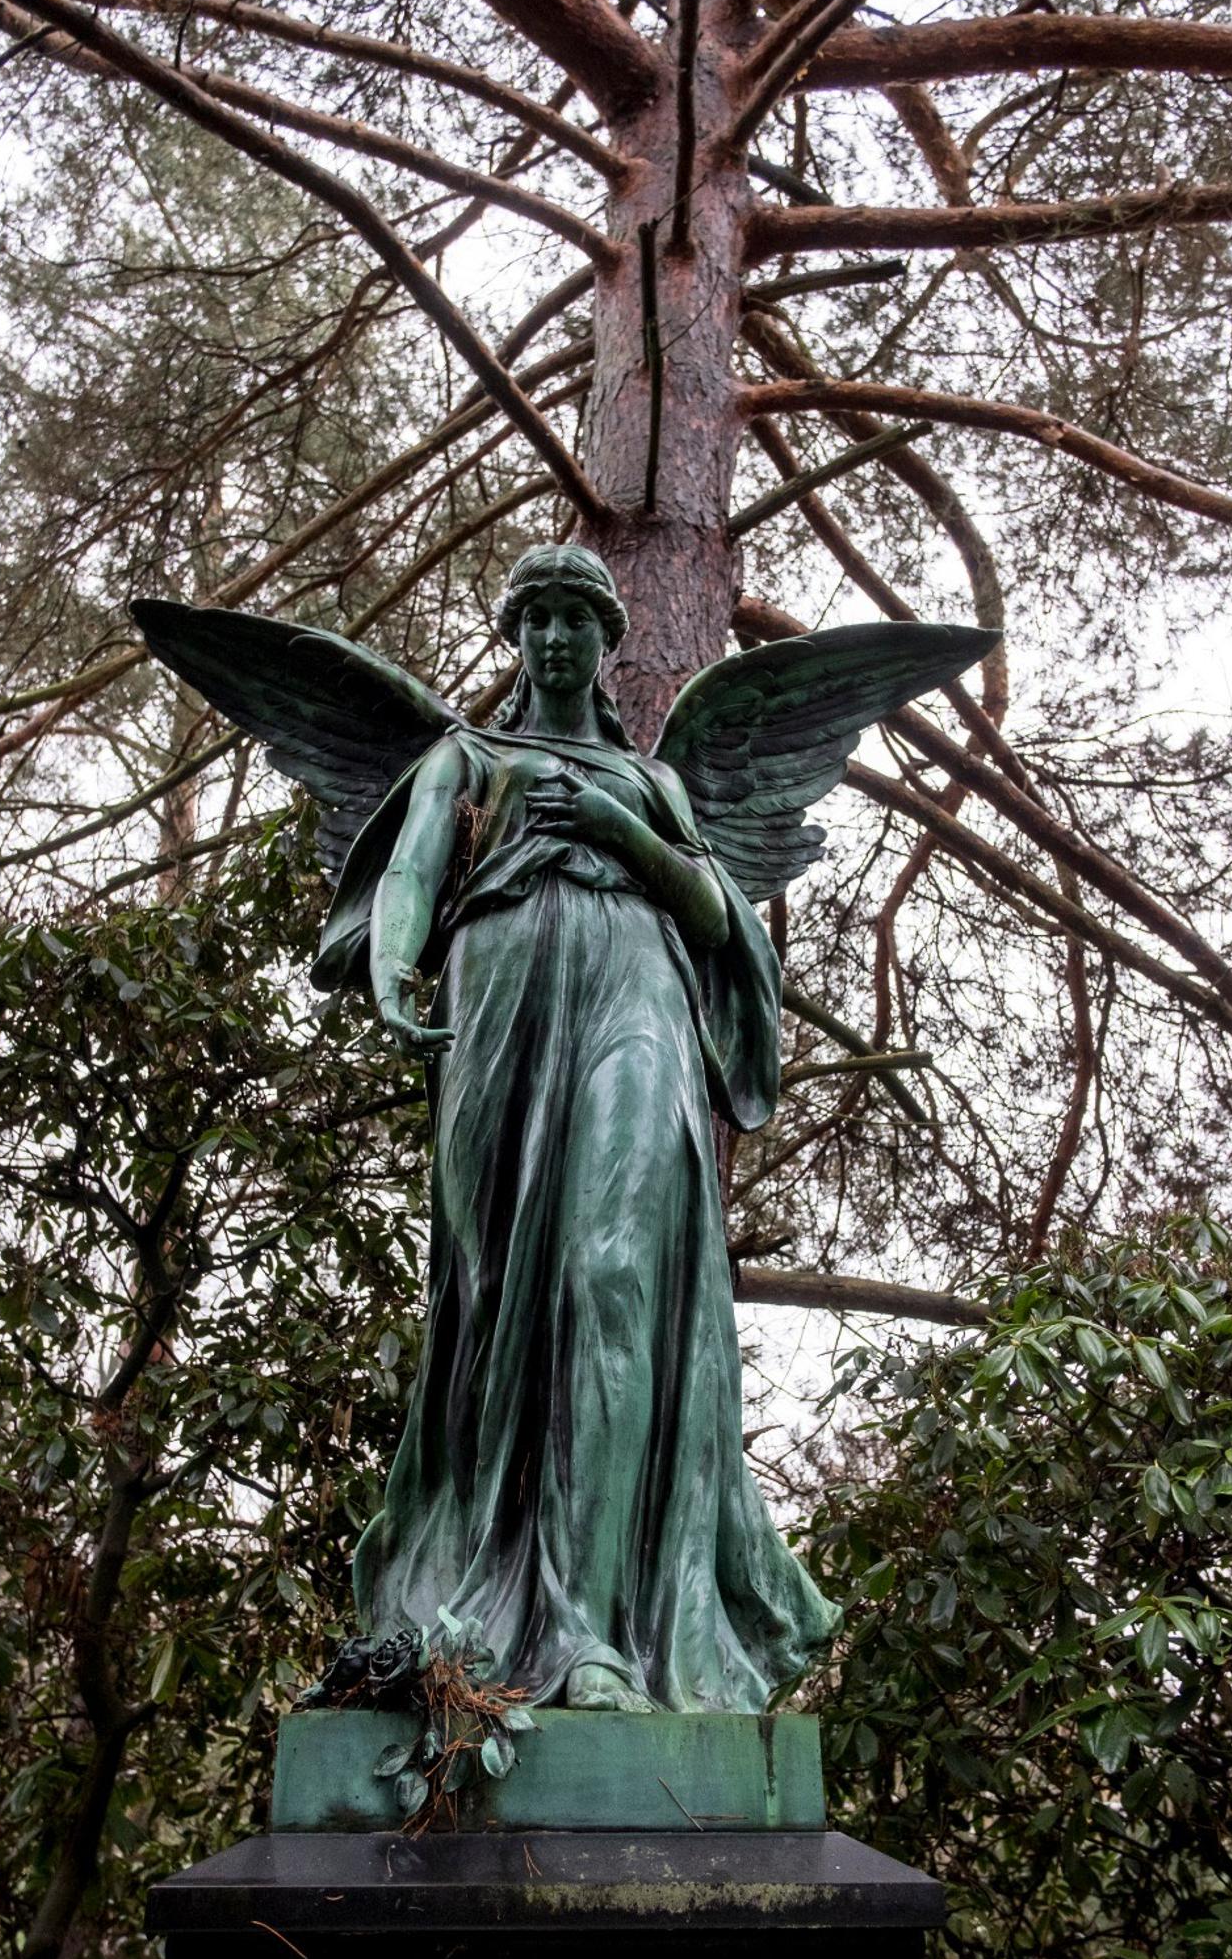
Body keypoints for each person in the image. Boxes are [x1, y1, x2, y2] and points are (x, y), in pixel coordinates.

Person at [313, 545, 840, 1711]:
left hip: (633, 989)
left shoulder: (652, 781)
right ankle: (488, 1587)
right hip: (501, 991)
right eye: (535, 619)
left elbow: (711, 909)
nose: (555, 640)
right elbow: (409, 868)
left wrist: (622, 828)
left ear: (607, 639)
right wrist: (398, 962)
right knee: (499, 1299)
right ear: (516, 638)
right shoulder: (468, 755)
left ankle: (597, 1632)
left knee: (613, 1276)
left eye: (575, 619)